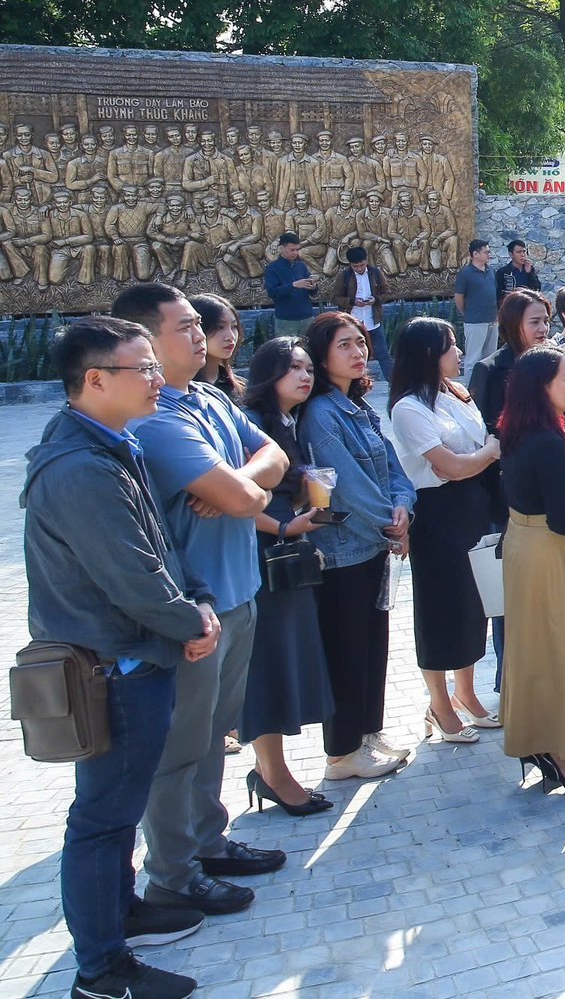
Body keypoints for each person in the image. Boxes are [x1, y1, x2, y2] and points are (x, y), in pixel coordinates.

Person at [27, 317, 219, 999]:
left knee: (117, 812)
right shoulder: (81, 468)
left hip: (137, 657)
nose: (158, 380)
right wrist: (186, 621)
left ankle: (123, 912)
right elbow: (130, 577)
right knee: (101, 819)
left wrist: (192, 600)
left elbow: (158, 548)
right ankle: (100, 970)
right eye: (142, 369)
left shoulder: (112, 444)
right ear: (95, 380)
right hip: (114, 669)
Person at [109, 283, 289, 918]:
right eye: (183, 327)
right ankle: (173, 874)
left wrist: (239, 483)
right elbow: (250, 491)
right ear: (142, 341)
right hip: (196, 607)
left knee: (214, 732)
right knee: (180, 745)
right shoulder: (156, 418)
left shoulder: (210, 397)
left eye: (197, 325)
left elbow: (276, 454)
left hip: (239, 590)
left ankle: (208, 842)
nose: (200, 335)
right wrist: (245, 489)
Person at [299, 312, 416, 781]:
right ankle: (342, 751)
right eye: (344, 344)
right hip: (344, 549)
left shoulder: (360, 405)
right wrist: (391, 525)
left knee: (373, 645)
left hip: (373, 544)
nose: (357, 351)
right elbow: (345, 485)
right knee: (347, 649)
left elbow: (391, 469)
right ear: (321, 354)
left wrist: (404, 506)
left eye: (360, 341)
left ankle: (368, 733)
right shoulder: (321, 413)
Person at [387, 318, 501, 745]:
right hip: (435, 513)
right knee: (440, 607)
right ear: (427, 355)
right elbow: (449, 466)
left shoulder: (456, 393)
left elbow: (480, 445)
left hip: (471, 504)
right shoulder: (408, 408)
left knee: (474, 602)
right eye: (450, 347)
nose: (459, 354)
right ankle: (438, 703)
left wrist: (478, 455)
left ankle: (466, 692)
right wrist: (483, 454)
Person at [236, 338, 337, 817]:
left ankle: (271, 769)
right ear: (268, 373)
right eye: (292, 368)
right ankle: (273, 773)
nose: (305, 375)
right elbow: (229, 496)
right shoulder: (253, 425)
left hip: (286, 548)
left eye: (307, 367)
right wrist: (281, 525)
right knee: (268, 662)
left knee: (284, 657)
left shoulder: (287, 422)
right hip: (263, 551)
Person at [496, 346, 565, 793]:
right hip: (547, 547)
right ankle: (562, 756)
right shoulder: (545, 440)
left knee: (531, 652)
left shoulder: (519, 430)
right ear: (542, 387)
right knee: (558, 654)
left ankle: (537, 742)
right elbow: (562, 518)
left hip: (522, 543)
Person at [470, 288, 553, 434]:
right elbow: (486, 429)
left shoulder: (553, 363)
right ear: (513, 325)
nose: (543, 328)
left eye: (546, 321)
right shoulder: (489, 370)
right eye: (535, 322)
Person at [330, 245, 392, 380]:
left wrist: (375, 299)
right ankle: (356, 383)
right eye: (355, 266)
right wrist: (352, 301)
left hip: (372, 321)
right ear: (350, 264)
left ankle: (393, 384)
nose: (359, 269)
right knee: (353, 355)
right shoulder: (344, 276)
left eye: (362, 265)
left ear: (366, 261)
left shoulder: (375, 273)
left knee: (383, 354)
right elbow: (335, 298)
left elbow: (387, 292)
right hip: (352, 321)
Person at [453, 239, 496, 378]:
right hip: (475, 321)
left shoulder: (490, 271)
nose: (489, 254)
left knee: (490, 358)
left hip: (493, 321)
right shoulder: (466, 273)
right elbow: (458, 298)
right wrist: (467, 313)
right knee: (473, 358)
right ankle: (470, 390)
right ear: (475, 254)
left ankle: (488, 388)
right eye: (486, 252)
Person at [262, 231, 317, 337]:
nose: (295, 253)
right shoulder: (272, 268)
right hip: (286, 319)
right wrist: (293, 285)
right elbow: (272, 292)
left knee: (309, 350)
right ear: (281, 248)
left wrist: (313, 287)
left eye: (297, 250)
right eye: (292, 250)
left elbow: (313, 292)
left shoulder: (301, 266)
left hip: (307, 317)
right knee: (287, 351)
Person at [189, 293, 244, 397]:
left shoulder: (240, 388)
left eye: (234, 326)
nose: (231, 336)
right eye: (219, 327)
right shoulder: (184, 389)